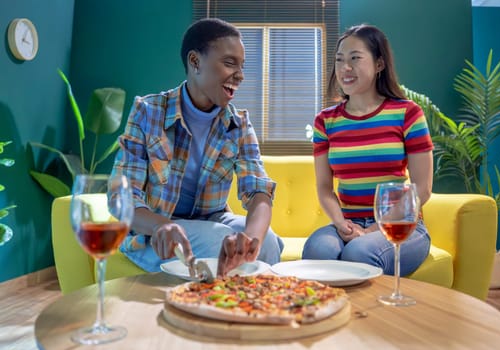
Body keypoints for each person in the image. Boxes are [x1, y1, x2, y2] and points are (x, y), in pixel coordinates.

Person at [109, 18, 283, 277]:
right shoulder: (148, 111)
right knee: (217, 242)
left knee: (267, 241)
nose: (240, 75)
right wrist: (160, 226)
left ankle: (246, 310)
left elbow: (259, 190)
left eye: (242, 66)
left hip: (211, 219)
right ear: (195, 62)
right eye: (229, 63)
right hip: (155, 230)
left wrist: (250, 241)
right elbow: (122, 197)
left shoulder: (238, 123)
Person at [301, 24, 433, 276]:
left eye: (355, 59)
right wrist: (341, 224)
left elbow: (422, 189)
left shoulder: (408, 113)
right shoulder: (325, 121)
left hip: (402, 225)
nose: (345, 68)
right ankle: (325, 314)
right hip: (348, 223)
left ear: (379, 64)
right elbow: (324, 188)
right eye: (339, 60)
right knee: (319, 250)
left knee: (358, 253)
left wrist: (371, 231)